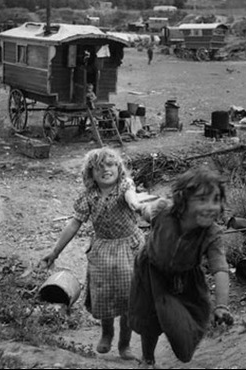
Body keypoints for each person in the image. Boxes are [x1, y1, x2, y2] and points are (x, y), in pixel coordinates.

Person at [40, 147, 145, 360]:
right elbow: (74, 224)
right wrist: (55, 252)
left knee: (129, 297)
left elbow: (131, 197)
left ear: (118, 168)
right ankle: (107, 333)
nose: (105, 170)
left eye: (110, 165)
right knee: (103, 294)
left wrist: (137, 204)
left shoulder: (124, 186)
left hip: (128, 248)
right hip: (102, 250)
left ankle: (124, 344)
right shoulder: (89, 196)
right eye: (98, 168)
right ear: (91, 174)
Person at [129, 166, 233, 369]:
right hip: (151, 272)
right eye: (202, 200)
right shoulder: (163, 211)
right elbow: (146, 211)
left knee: (189, 325)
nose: (210, 206)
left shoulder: (212, 234)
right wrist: (137, 203)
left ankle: (182, 338)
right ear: (183, 201)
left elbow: (220, 269)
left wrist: (222, 305)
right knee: (149, 318)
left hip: (185, 281)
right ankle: (148, 360)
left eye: (216, 200)